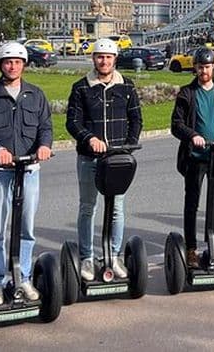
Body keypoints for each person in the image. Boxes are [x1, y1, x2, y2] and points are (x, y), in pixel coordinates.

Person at [0, 42, 53, 305]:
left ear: (24, 65)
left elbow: (45, 127)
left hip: (28, 169)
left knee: (27, 227)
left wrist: (44, 146)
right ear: (0, 65)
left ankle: (24, 277)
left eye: (17, 62)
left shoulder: (36, 95)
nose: (12, 66)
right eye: (8, 62)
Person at [65, 38, 142, 281]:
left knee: (117, 208)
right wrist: (89, 139)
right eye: (100, 57)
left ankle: (115, 256)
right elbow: (72, 122)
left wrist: (128, 145)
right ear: (93, 59)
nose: (104, 61)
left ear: (114, 60)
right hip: (90, 158)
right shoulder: (81, 87)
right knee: (88, 207)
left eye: (108, 57)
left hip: (117, 158)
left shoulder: (126, 86)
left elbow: (136, 119)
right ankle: (87, 258)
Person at [170, 47, 214, 267]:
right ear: (195, 68)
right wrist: (192, 136)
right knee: (192, 203)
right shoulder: (187, 93)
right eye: (200, 67)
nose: (204, 71)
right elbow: (177, 124)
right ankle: (191, 249)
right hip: (195, 156)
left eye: (208, 67)